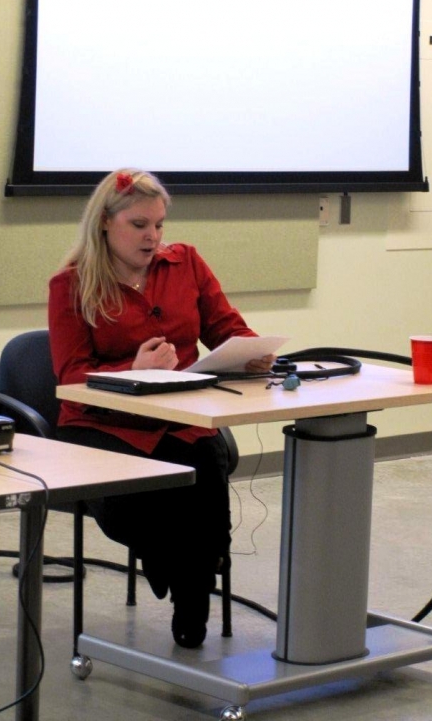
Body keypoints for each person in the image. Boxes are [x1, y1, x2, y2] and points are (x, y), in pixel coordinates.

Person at [49, 169, 274, 648]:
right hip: (102, 422)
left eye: (159, 225)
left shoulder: (186, 263)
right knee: (144, 489)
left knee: (204, 468)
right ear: (105, 224)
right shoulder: (70, 285)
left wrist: (251, 350)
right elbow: (70, 376)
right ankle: (176, 566)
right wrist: (132, 367)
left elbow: (226, 328)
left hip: (181, 414)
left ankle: (191, 606)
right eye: (139, 225)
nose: (153, 237)